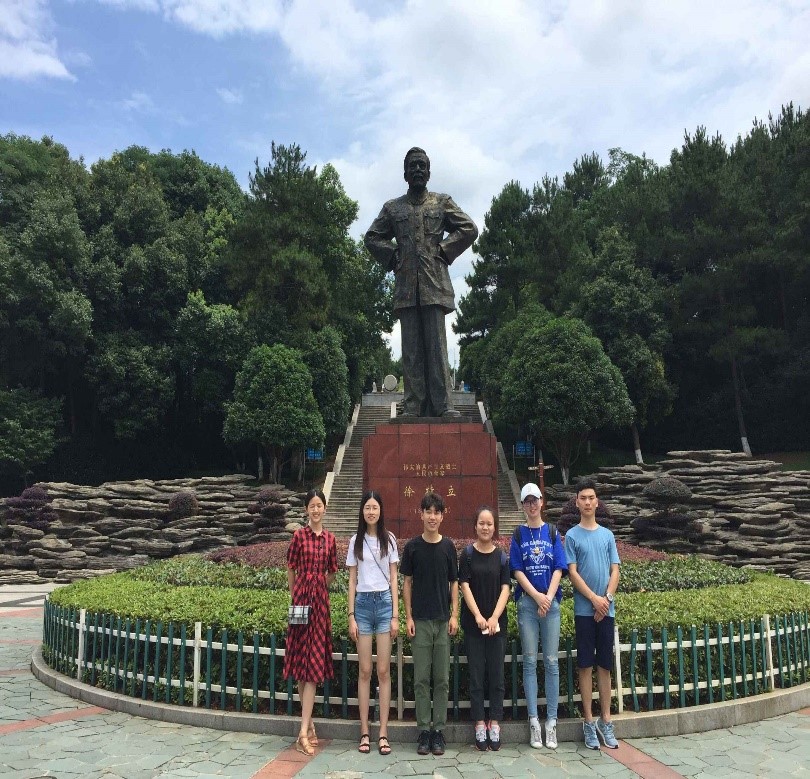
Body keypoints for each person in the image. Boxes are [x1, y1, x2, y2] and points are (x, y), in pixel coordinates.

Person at [364, 147, 478, 418]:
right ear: (405, 173)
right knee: (411, 350)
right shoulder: (393, 208)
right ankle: (413, 405)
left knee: (437, 348)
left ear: (428, 172)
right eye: (412, 166)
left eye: (421, 166)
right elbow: (372, 237)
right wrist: (393, 256)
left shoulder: (442, 202)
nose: (417, 170)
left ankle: (443, 405)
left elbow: (469, 228)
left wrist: (445, 250)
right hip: (406, 287)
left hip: (434, 284)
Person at [510, 482, 568, 750]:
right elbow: (517, 571)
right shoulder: (518, 534)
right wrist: (536, 597)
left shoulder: (553, 532)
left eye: (535, 500)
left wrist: (548, 597)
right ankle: (534, 721)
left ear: (542, 502)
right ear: (523, 505)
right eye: (527, 501)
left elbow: (559, 567)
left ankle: (551, 722)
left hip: (550, 604)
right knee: (530, 661)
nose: (531, 505)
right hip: (528, 604)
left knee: (552, 662)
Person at [564, 478, 621, 750]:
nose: (587, 502)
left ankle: (605, 720)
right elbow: (572, 573)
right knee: (586, 665)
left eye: (591, 497)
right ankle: (588, 721)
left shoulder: (607, 535)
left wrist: (606, 600)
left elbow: (615, 570)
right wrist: (594, 600)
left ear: (597, 502)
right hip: (585, 611)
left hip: (606, 610)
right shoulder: (572, 536)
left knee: (605, 666)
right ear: (576, 502)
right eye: (583, 498)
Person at [401, 491, 459, 755]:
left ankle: (439, 731)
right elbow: (407, 583)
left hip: (442, 620)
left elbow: (454, 583)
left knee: (442, 679)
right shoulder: (412, 547)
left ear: (442, 516)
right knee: (422, 679)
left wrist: (454, 615)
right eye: (428, 512)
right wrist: (408, 616)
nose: (432, 517)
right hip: (421, 622)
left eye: (437, 512)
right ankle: (424, 730)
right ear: (421, 514)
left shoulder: (448, 547)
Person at [284, 488, 338, 756]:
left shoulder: (330, 539)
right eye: (312, 506)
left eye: (319, 505)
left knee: (313, 665)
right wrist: (297, 594)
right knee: (299, 662)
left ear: (325, 508)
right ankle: (309, 724)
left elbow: (332, 572)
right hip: (299, 603)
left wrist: (319, 585)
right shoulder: (299, 536)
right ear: (306, 509)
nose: (316, 510)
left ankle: (303, 732)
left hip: (320, 606)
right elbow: (290, 568)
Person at [346, 491, 400, 756]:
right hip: (364, 606)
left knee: (383, 671)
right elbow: (352, 579)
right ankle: (365, 731)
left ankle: (383, 733)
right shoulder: (355, 541)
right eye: (367, 507)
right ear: (362, 511)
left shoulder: (389, 539)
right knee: (365, 671)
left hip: (385, 604)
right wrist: (351, 615)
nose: (371, 512)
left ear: (381, 511)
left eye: (375, 507)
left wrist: (396, 616)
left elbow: (394, 578)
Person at [458, 506, 510, 751]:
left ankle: (495, 722)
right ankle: (479, 722)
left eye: (489, 523)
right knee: (477, 675)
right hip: (473, 625)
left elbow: (505, 588)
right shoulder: (467, 555)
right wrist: (478, 616)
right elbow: (464, 586)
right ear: (475, 526)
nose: (485, 527)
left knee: (497, 676)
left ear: (494, 527)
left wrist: (494, 617)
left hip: (497, 626)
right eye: (481, 523)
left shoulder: (501, 557)